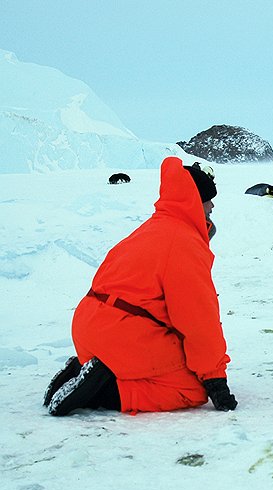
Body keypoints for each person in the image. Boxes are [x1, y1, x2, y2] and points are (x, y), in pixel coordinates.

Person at [43, 157, 237, 415]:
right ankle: (103, 391)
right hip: (121, 335)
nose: (212, 205)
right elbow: (198, 320)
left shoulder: (152, 229)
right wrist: (215, 379)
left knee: (172, 364)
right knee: (191, 387)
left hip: (88, 328)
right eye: (207, 199)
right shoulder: (184, 243)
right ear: (193, 200)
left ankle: (87, 371)